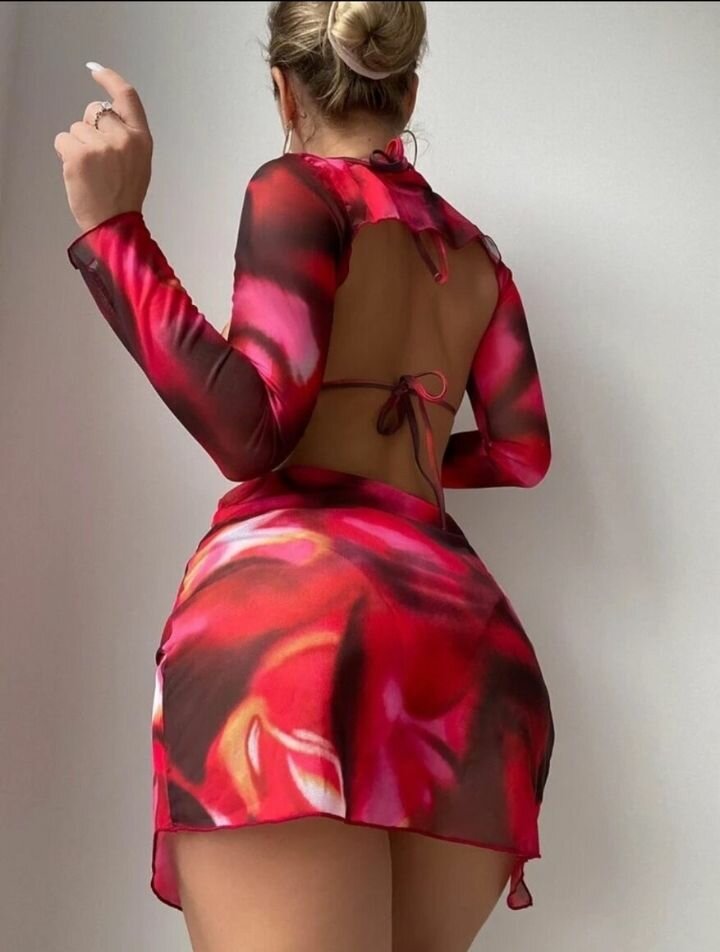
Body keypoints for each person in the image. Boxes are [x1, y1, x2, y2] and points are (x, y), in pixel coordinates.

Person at [54, 2, 555, 949]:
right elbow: (522, 453)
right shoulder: (477, 258)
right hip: (468, 652)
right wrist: (407, 453)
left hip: (300, 628)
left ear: (284, 91)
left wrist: (116, 231)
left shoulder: (297, 189)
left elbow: (253, 433)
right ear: (407, 89)